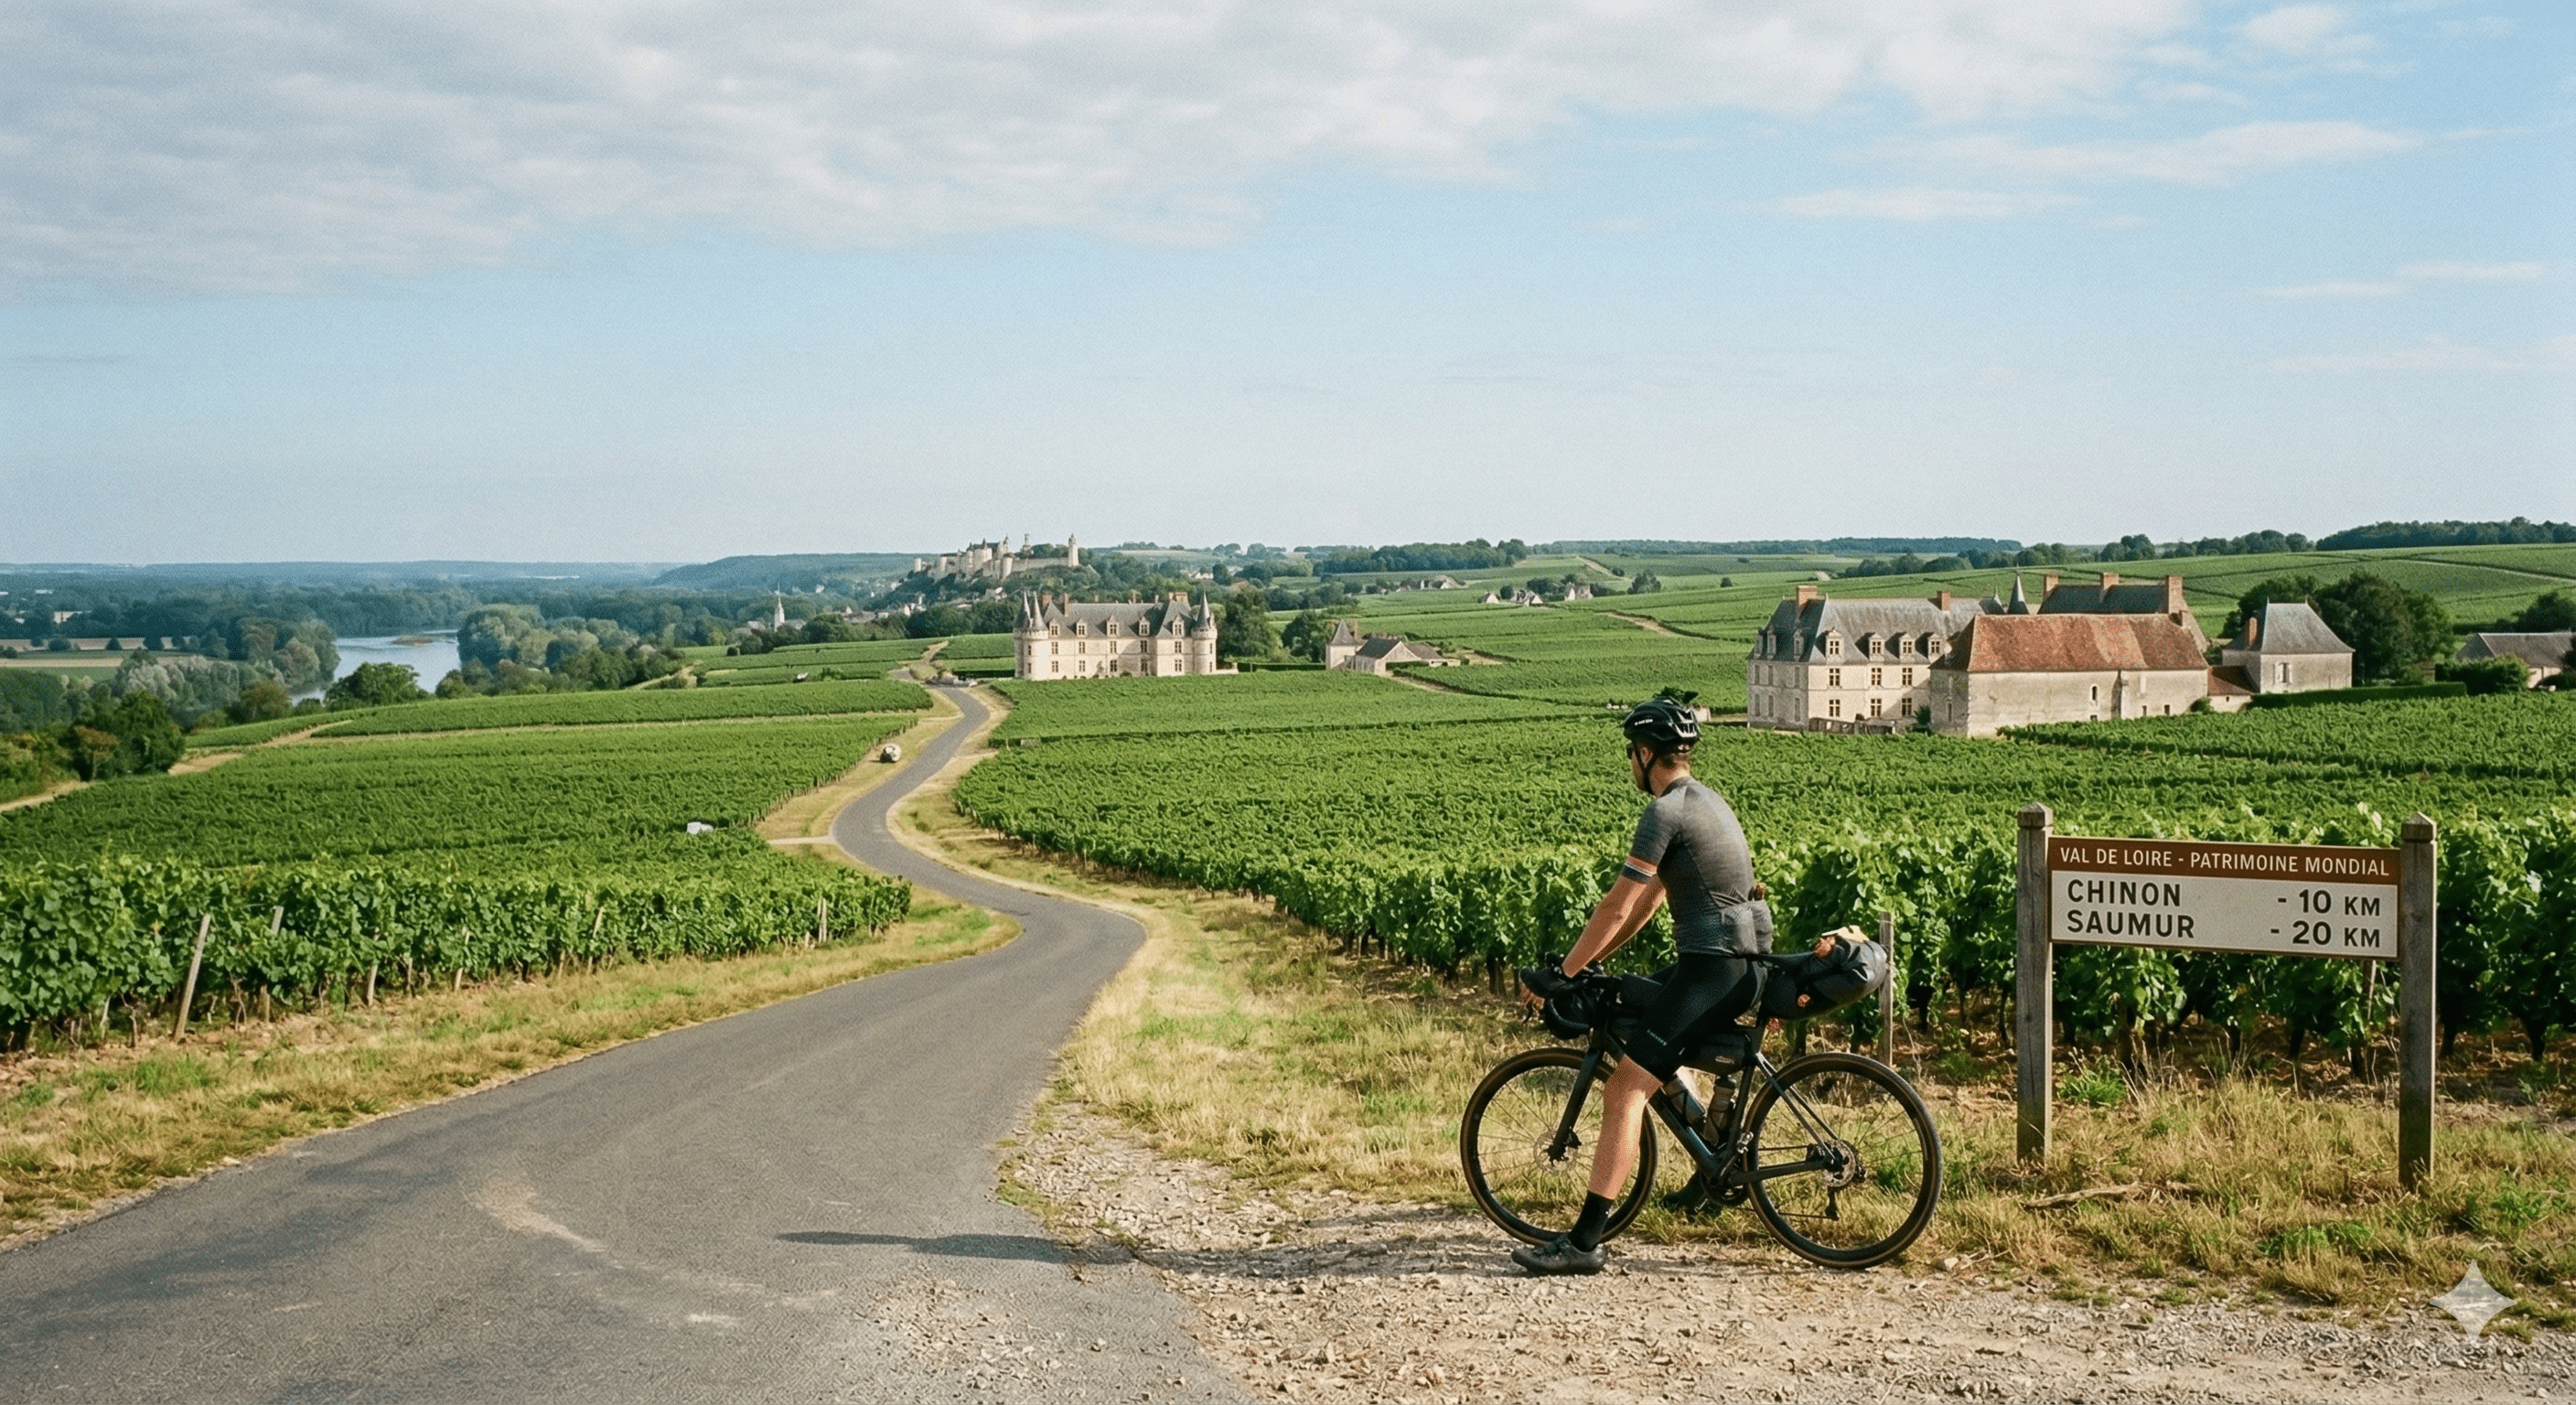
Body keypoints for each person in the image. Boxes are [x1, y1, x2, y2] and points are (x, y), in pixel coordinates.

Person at [1511, 696, 1766, 1275]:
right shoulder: (1709, 802)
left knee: (1624, 1087)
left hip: (1713, 968)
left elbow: (1617, 902)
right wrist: (1597, 960)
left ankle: (1583, 1244)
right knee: (1639, 1009)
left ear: (1645, 753)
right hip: (1739, 964)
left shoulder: (1664, 812)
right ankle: (1710, 1165)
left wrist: (1566, 973)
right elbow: (1648, 904)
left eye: (1632, 752)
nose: (1631, 762)